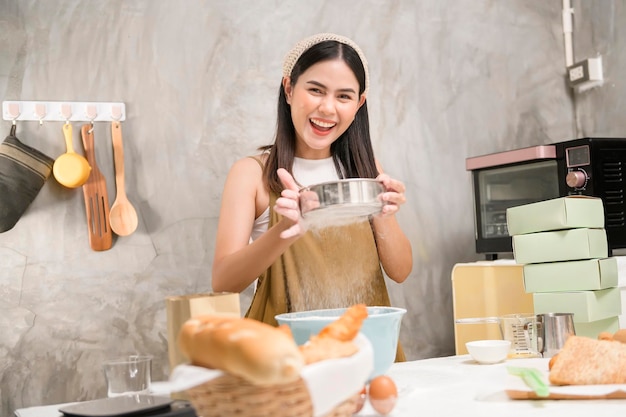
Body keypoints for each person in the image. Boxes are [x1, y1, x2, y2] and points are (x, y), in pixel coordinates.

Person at [211, 33, 413, 360]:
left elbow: (401, 270)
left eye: (343, 96)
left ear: (359, 104)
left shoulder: (365, 171)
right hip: (283, 362)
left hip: (364, 354)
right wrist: (285, 230)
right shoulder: (251, 174)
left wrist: (382, 212)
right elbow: (224, 282)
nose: (327, 108)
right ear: (289, 89)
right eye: (315, 90)